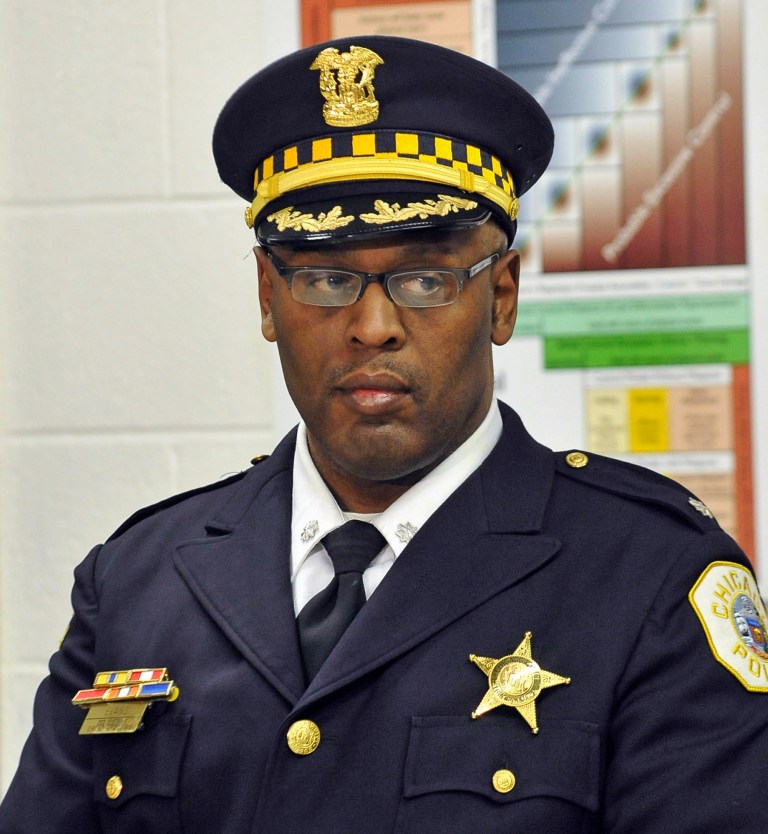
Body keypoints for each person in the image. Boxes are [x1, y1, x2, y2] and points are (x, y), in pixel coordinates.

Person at [1, 35, 766, 834]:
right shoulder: (136, 583)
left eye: (425, 279)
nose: (371, 326)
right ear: (268, 296)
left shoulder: (649, 575)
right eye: (325, 277)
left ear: (501, 296)